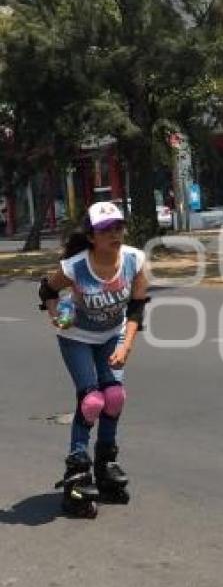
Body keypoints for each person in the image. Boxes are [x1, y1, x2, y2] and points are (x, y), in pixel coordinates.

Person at [38, 201, 150, 517]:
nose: (115, 234)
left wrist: (126, 345)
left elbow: (138, 307)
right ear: (92, 237)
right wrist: (56, 314)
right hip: (77, 339)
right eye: (106, 230)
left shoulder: (134, 259)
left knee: (114, 397)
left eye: (118, 227)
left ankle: (106, 463)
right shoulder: (74, 267)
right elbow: (46, 290)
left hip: (112, 335)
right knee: (92, 402)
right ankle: (77, 468)